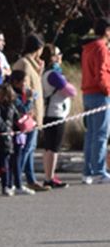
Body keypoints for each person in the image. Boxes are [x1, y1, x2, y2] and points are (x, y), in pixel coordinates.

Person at [13, 33, 49, 193]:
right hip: (28, 114)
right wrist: (29, 108)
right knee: (26, 148)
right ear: (38, 48)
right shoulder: (25, 64)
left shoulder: (33, 64)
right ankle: (16, 179)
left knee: (31, 147)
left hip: (34, 112)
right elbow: (24, 88)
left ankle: (30, 179)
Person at [40, 44, 75, 188]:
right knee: (53, 147)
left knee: (50, 147)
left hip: (53, 113)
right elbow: (70, 91)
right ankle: (49, 177)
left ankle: (49, 175)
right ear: (53, 57)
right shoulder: (53, 74)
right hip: (55, 114)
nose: (61, 57)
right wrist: (68, 84)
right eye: (58, 54)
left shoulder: (48, 72)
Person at [80, 18, 110, 184]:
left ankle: (88, 171)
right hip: (100, 94)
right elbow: (102, 73)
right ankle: (99, 171)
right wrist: (107, 90)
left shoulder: (88, 48)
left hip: (88, 92)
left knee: (91, 133)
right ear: (106, 30)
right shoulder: (101, 48)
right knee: (100, 134)